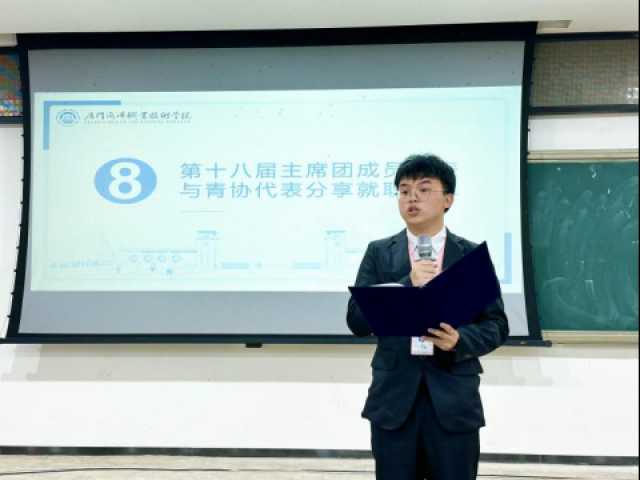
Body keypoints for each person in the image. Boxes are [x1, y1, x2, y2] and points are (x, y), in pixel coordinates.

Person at [347, 153, 509, 480]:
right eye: (404, 191)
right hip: (394, 400)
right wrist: (407, 283)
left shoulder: (470, 256)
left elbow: (496, 325)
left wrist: (460, 340)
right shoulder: (379, 252)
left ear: (448, 199)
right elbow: (357, 321)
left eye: (423, 189)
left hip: (453, 398)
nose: (412, 198)